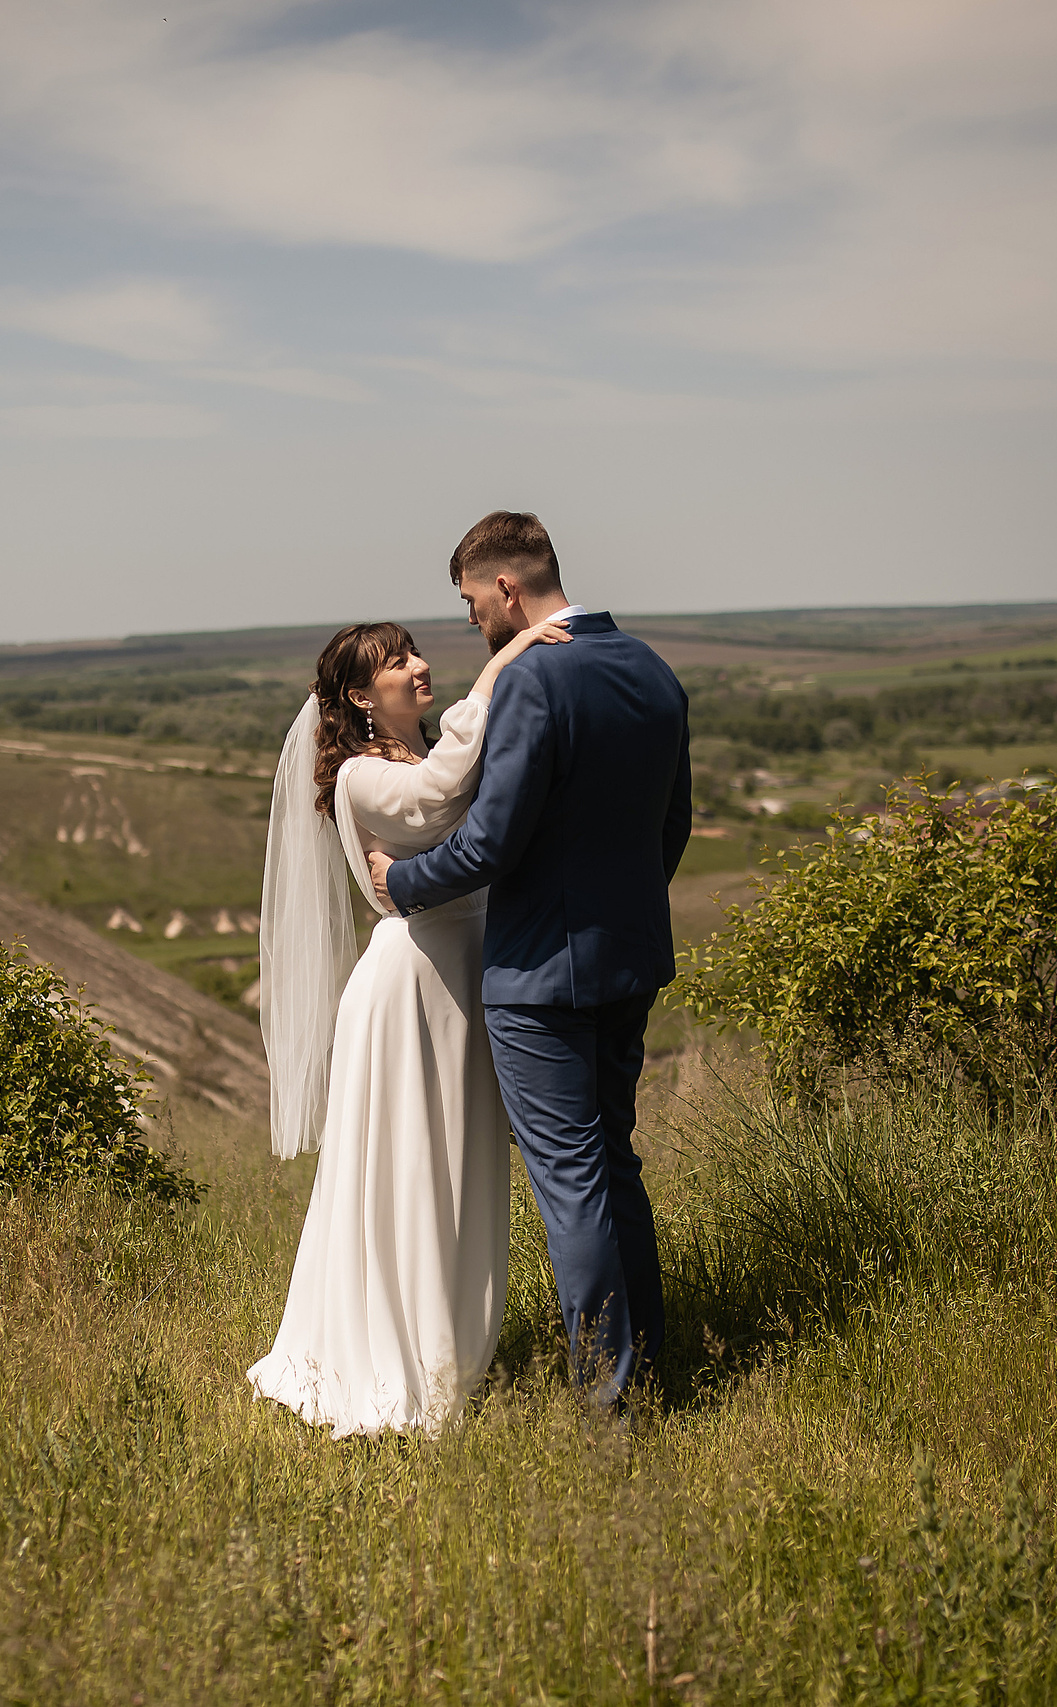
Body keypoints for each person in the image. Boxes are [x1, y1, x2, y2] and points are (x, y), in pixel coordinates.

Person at [366, 511, 691, 1408]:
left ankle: (607, 1400)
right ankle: (650, 1363)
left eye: (473, 603)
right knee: (612, 1161)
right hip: (630, 963)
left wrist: (404, 880)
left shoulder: (536, 681)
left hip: (539, 977)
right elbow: (673, 826)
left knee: (571, 1180)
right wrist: (617, 912)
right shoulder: (654, 672)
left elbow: (489, 844)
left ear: (507, 587)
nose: (474, 621)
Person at [247, 611, 572, 1437]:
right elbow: (436, 801)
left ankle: (457, 1351)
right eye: (397, 663)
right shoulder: (360, 776)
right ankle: (404, 1361)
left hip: (466, 977)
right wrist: (504, 665)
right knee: (409, 1168)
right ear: (359, 695)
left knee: (462, 1165)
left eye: (417, 653)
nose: (420, 667)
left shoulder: (423, 755)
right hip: (409, 989)